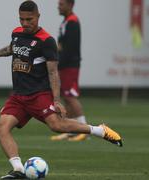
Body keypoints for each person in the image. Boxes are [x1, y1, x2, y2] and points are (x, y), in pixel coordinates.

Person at [0, 1, 122, 179]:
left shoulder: (46, 41)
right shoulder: (17, 33)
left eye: (29, 19)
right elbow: (13, 48)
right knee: (2, 128)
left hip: (38, 94)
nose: (25, 23)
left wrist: (56, 100)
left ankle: (99, 130)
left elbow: (53, 72)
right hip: (19, 96)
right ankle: (18, 170)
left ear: (38, 16)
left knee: (57, 126)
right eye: (22, 19)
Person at [50, 0, 88, 141]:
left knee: (71, 96)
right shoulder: (65, 22)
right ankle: (72, 129)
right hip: (65, 65)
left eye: (61, 4)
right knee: (66, 96)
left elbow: (69, 48)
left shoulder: (72, 22)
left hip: (70, 65)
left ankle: (84, 130)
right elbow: (61, 46)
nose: (58, 7)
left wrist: (60, 62)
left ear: (70, 5)